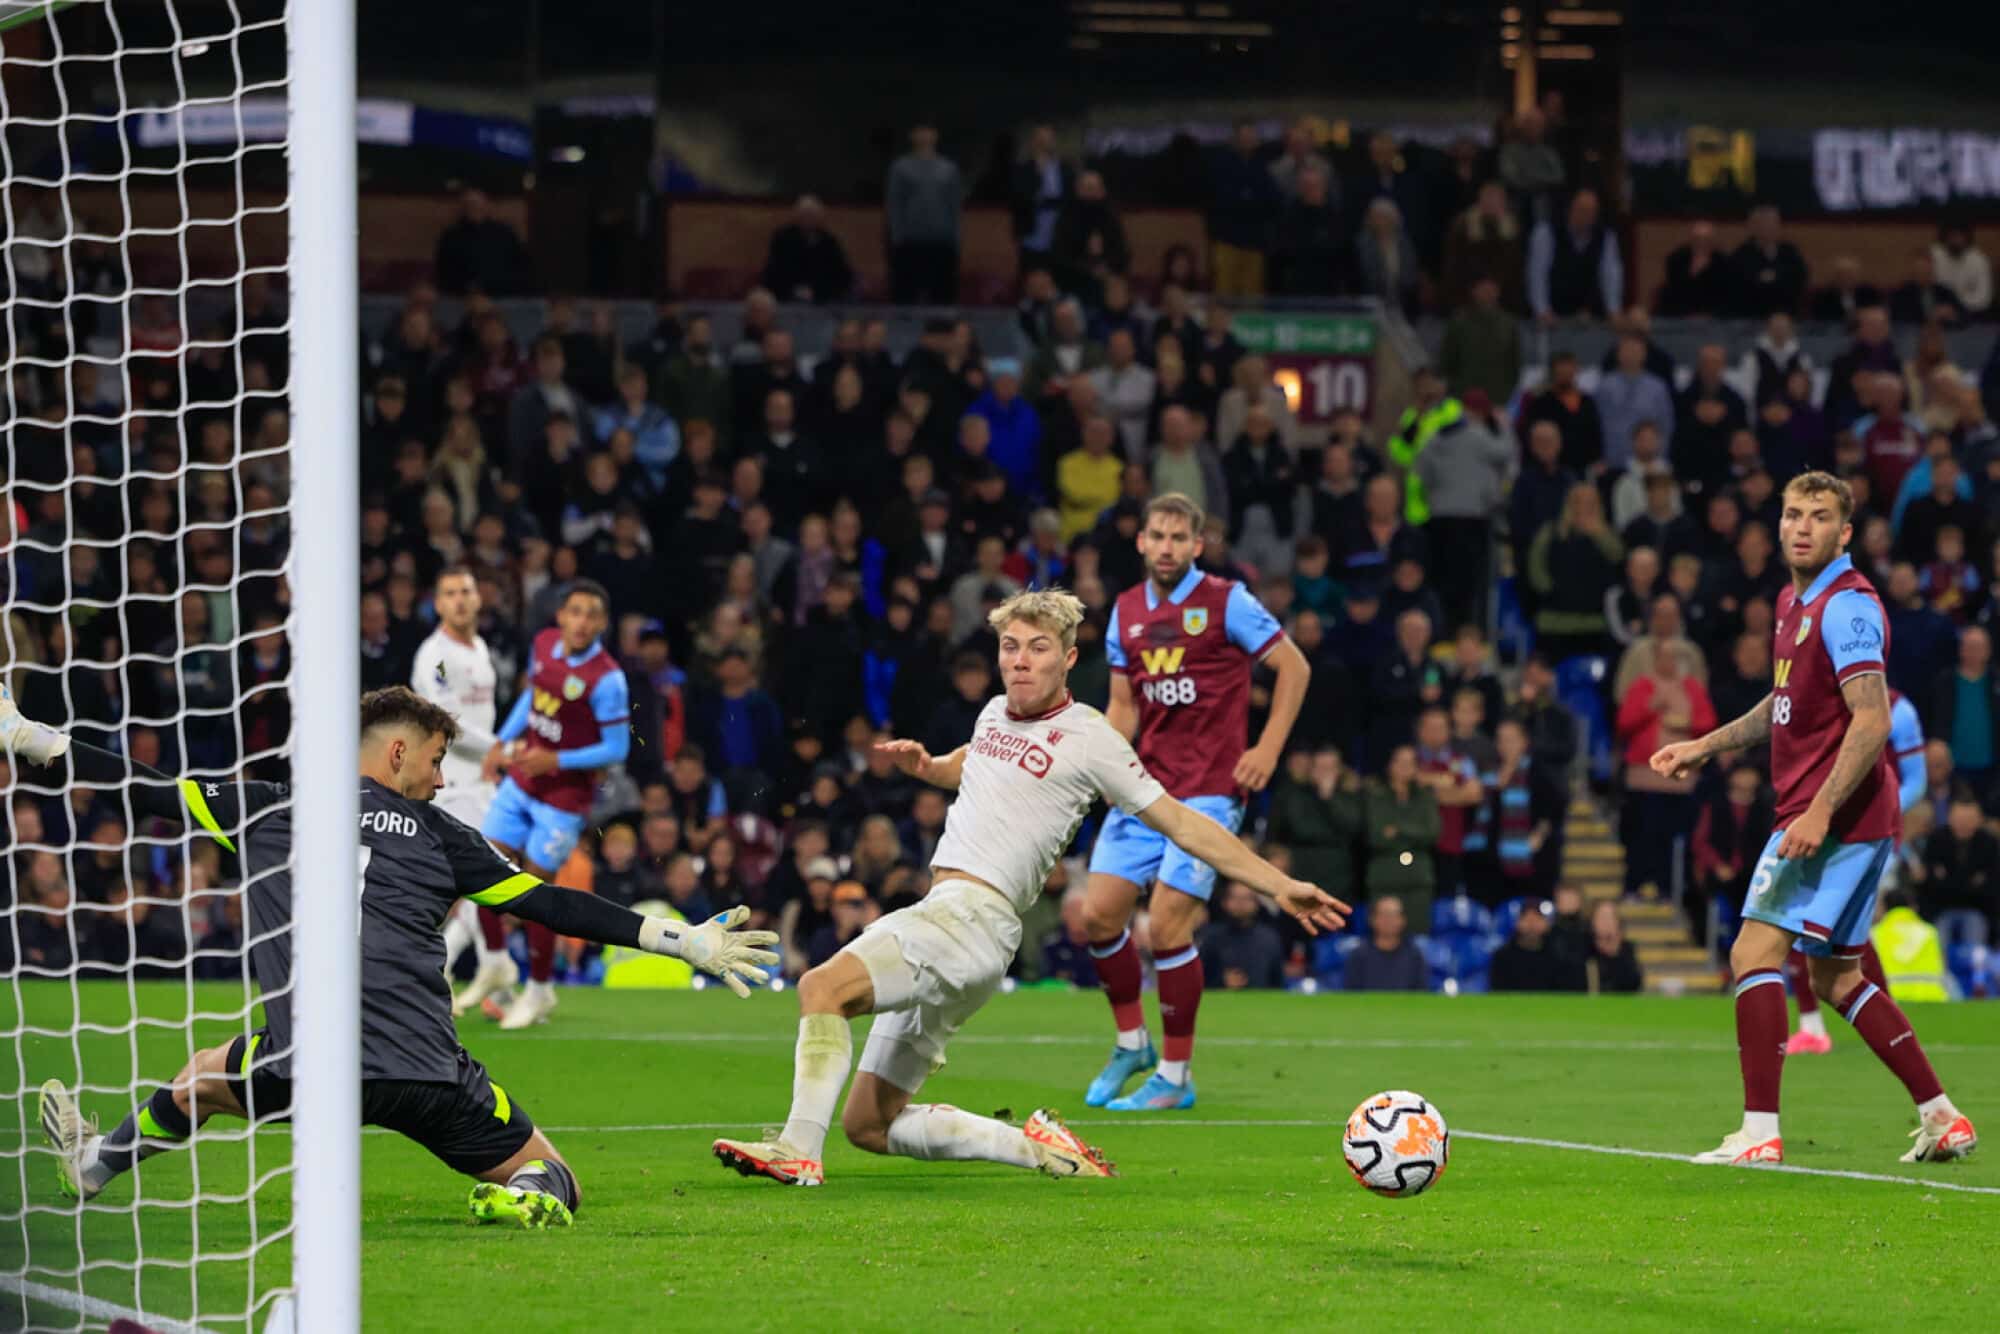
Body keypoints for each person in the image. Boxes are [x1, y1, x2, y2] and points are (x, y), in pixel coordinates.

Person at [14, 685, 774, 1226]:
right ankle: (522, 1195)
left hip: (306, 1067)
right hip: (426, 1075)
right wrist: (684, 941)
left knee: (205, 1077)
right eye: (438, 762)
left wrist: (27, 737)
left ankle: (95, 1162)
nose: (442, 781)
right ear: (399, 751)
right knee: (556, 1174)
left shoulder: (272, 806)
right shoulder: (443, 836)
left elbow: (136, 786)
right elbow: (552, 905)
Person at [708, 590, 1346, 1187]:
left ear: (1067, 659)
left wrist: (1278, 884)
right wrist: (930, 767)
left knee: (821, 987)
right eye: (1010, 647)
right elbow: (974, 760)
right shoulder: (993, 713)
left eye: (1037, 648)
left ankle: (796, 1149)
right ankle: (1034, 1147)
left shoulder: (1091, 738)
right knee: (868, 1126)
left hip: (970, 919)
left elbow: (1179, 821)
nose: (1020, 660)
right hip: (960, 932)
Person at [1649, 470, 1977, 1167]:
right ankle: (1941, 1116)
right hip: (1848, 817)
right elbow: (1782, 707)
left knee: (1752, 954)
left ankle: (1759, 1133)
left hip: (1832, 816)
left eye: (1820, 516)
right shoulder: (1793, 600)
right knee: (1837, 979)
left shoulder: (1847, 607)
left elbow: (1872, 717)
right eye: (1793, 514)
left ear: (1844, 532)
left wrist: (1819, 813)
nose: (1802, 527)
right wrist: (1704, 746)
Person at [1081, 493, 1309, 1111]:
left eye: (1179, 538)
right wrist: (1103, 766)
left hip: (1210, 790)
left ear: (1197, 545)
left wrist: (1267, 748)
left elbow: (1294, 668)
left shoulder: (1228, 600)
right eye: (1157, 535)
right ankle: (1132, 1043)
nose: (1167, 547)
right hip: (1144, 788)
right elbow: (1123, 706)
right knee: (1098, 916)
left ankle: (1175, 1077)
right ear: (1141, 541)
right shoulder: (1126, 610)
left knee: (1167, 924)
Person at [472, 581, 630, 1030]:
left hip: (564, 799)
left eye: (591, 614)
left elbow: (617, 748)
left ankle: (539, 988)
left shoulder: (608, 679)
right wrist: (502, 740)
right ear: (560, 616)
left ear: (602, 623)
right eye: (574, 611)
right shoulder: (543, 644)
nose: (581, 621)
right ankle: (497, 964)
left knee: (535, 892)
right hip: (523, 779)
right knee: (482, 867)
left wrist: (556, 759)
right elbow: (531, 696)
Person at [410, 568, 516, 1015]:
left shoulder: (480, 648)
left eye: (466, 592)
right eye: (450, 593)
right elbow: (446, 719)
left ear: (478, 599)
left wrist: (494, 755)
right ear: (438, 603)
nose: (459, 600)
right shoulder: (434, 656)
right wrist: (499, 749)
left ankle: (483, 976)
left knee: (481, 881)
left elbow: (482, 717)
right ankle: (487, 971)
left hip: (482, 780)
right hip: (449, 782)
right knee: (485, 877)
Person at [885, 125, 963, 304]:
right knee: (905, 298)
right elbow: (894, 204)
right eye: (920, 131)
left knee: (942, 299)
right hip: (908, 244)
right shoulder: (900, 168)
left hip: (942, 243)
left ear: (935, 135)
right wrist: (897, 239)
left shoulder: (949, 169)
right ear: (912, 135)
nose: (924, 135)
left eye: (928, 131)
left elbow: (955, 207)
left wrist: (956, 240)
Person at [1198, 881, 1286, 990]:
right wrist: (1221, 981)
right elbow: (1197, 979)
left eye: (1247, 898)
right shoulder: (1209, 937)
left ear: (1257, 904)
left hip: (1260, 999)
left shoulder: (1269, 938)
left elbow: (1278, 983)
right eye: (1234, 897)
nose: (1240, 903)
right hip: (1219, 998)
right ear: (1224, 902)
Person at [1343, 894, 1428, 991]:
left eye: (1394, 915)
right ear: (1372, 919)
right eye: (1384, 914)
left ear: (1402, 920)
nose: (1389, 920)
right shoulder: (1358, 955)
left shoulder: (1415, 956)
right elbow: (1350, 993)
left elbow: (1421, 993)